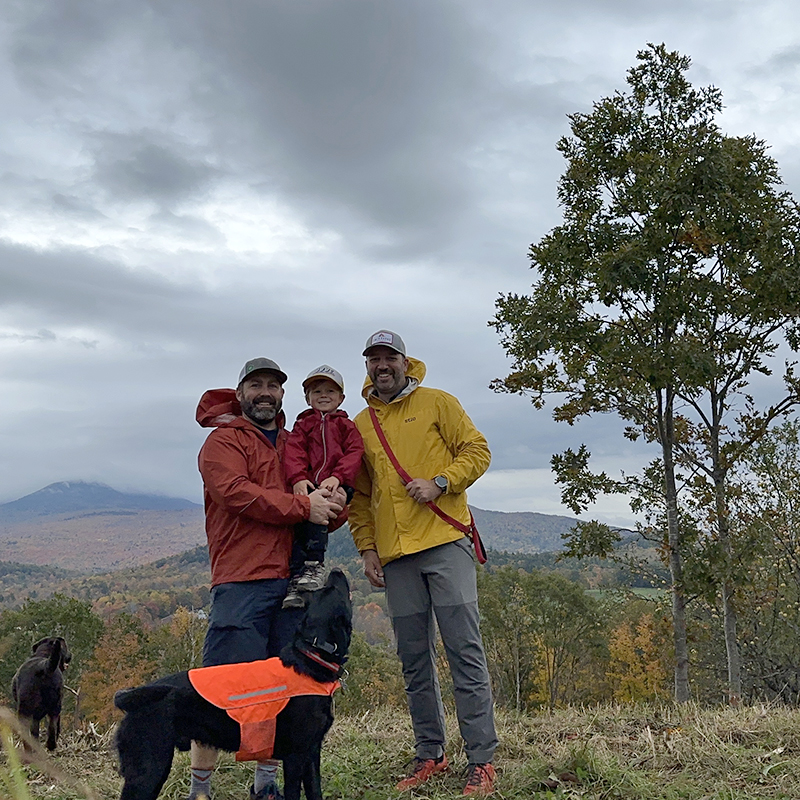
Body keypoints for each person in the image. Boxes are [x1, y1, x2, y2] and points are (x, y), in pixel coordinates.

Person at [348, 330, 499, 797]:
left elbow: (478, 451)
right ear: (368, 367)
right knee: (413, 660)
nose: (382, 366)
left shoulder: (438, 402)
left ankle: (482, 761)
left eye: (389, 357)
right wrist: (368, 550)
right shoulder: (361, 423)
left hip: (444, 541)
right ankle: (430, 754)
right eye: (373, 359)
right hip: (396, 558)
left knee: (463, 653)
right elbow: (360, 497)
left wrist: (441, 481)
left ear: (404, 361)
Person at [192, 357, 346, 800]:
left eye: (272, 386)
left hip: (295, 582)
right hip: (241, 579)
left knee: (281, 687)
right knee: (221, 685)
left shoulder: (293, 442)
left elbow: (314, 504)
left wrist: (330, 506)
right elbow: (235, 493)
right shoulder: (223, 442)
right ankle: (200, 790)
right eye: (255, 385)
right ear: (239, 394)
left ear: (282, 395)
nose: (264, 393)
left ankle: (266, 786)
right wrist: (304, 508)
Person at [282, 365, 364, 608]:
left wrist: (338, 477)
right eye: (317, 391)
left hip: (337, 484)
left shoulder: (346, 426)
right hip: (310, 483)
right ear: (307, 398)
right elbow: (293, 453)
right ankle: (297, 582)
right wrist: (297, 478)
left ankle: (315, 566)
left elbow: (354, 454)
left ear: (341, 398)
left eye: (330, 390)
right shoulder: (303, 425)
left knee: (318, 514)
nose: (324, 395)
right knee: (299, 526)